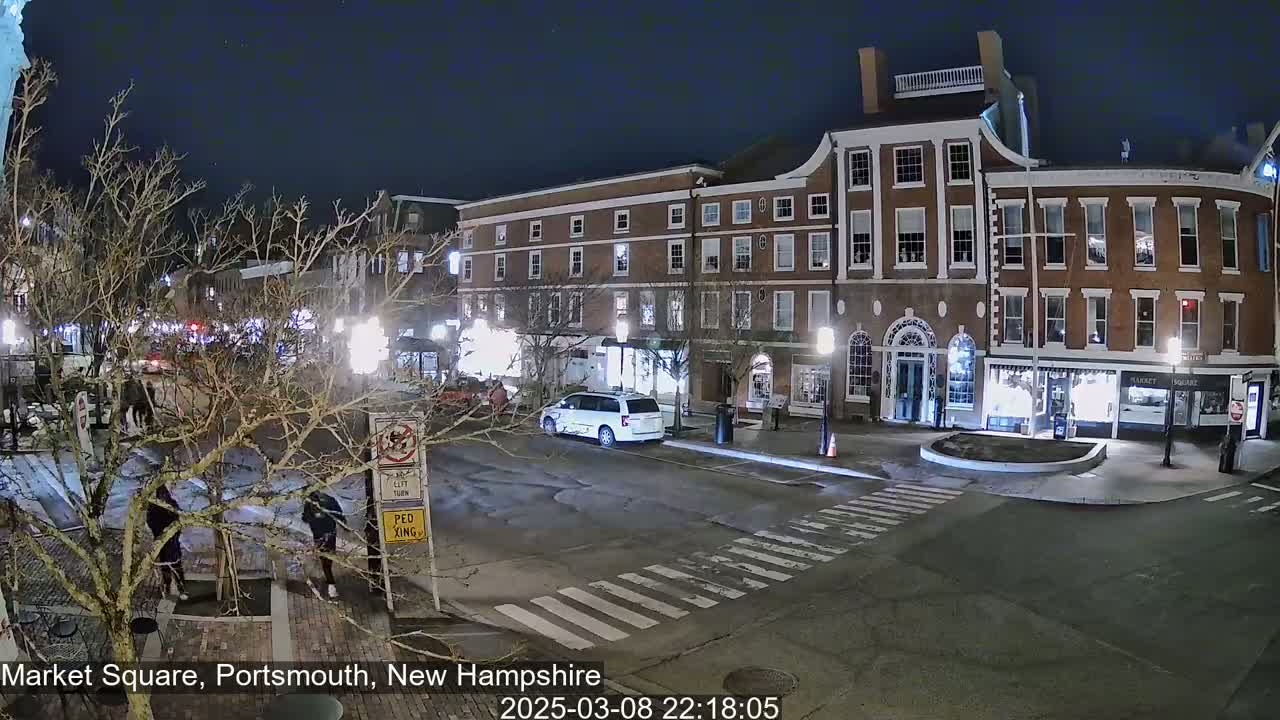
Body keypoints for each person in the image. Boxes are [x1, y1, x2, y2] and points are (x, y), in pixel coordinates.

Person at [146, 485, 188, 600]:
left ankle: (179, 588)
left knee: (174, 565)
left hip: (169, 541)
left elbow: (178, 521)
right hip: (164, 540)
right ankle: (171, 587)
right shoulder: (160, 506)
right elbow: (151, 522)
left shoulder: (168, 505)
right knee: (169, 566)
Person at [302, 491, 344, 599]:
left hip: (319, 534)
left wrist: (312, 519)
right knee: (328, 558)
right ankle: (330, 583)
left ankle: (330, 584)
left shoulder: (309, 502)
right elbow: (339, 514)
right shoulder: (330, 499)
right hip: (330, 533)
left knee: (324, 558)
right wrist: (343, 523)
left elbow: (305, 518)